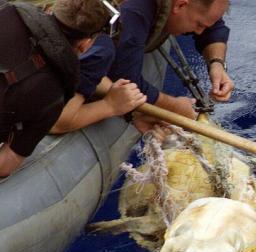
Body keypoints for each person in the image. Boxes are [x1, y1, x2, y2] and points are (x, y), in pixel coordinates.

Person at [0, 0, 110, 177]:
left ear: (50, 9)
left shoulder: (6, 9)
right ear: (86, 44)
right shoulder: (55, 95)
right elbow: (6, 163)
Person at [109, 0, 234, 123]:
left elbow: (213, 27)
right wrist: (173, 106)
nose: (200, 32)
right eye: (199, 25)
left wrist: (216, 64)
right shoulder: (133, 12)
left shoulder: (190, 8)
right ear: (180, 5)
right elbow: (124, 79)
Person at [50, 34, 147, 134]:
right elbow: (57, 123)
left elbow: (87, 75)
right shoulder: (101, 49)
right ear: (84, 44)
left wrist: (129, 106)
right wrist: (110, 105)